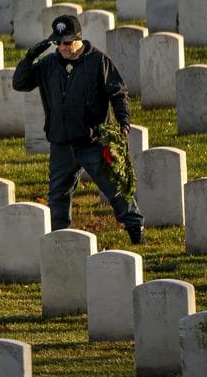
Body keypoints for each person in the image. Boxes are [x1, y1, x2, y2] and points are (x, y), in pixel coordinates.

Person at [12, 14, 145, 244]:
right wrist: (30, 57)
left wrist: (123, 125)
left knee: (115, 188)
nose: (62, 47)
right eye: (57, 42)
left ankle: (135, 230)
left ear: (78, 39)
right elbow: (20, 84)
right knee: (58, 196)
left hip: (92, 142)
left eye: (66, 42)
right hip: (61, 143)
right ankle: (61, 240)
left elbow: (118, 93)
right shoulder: (48, 65)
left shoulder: (98, 62)